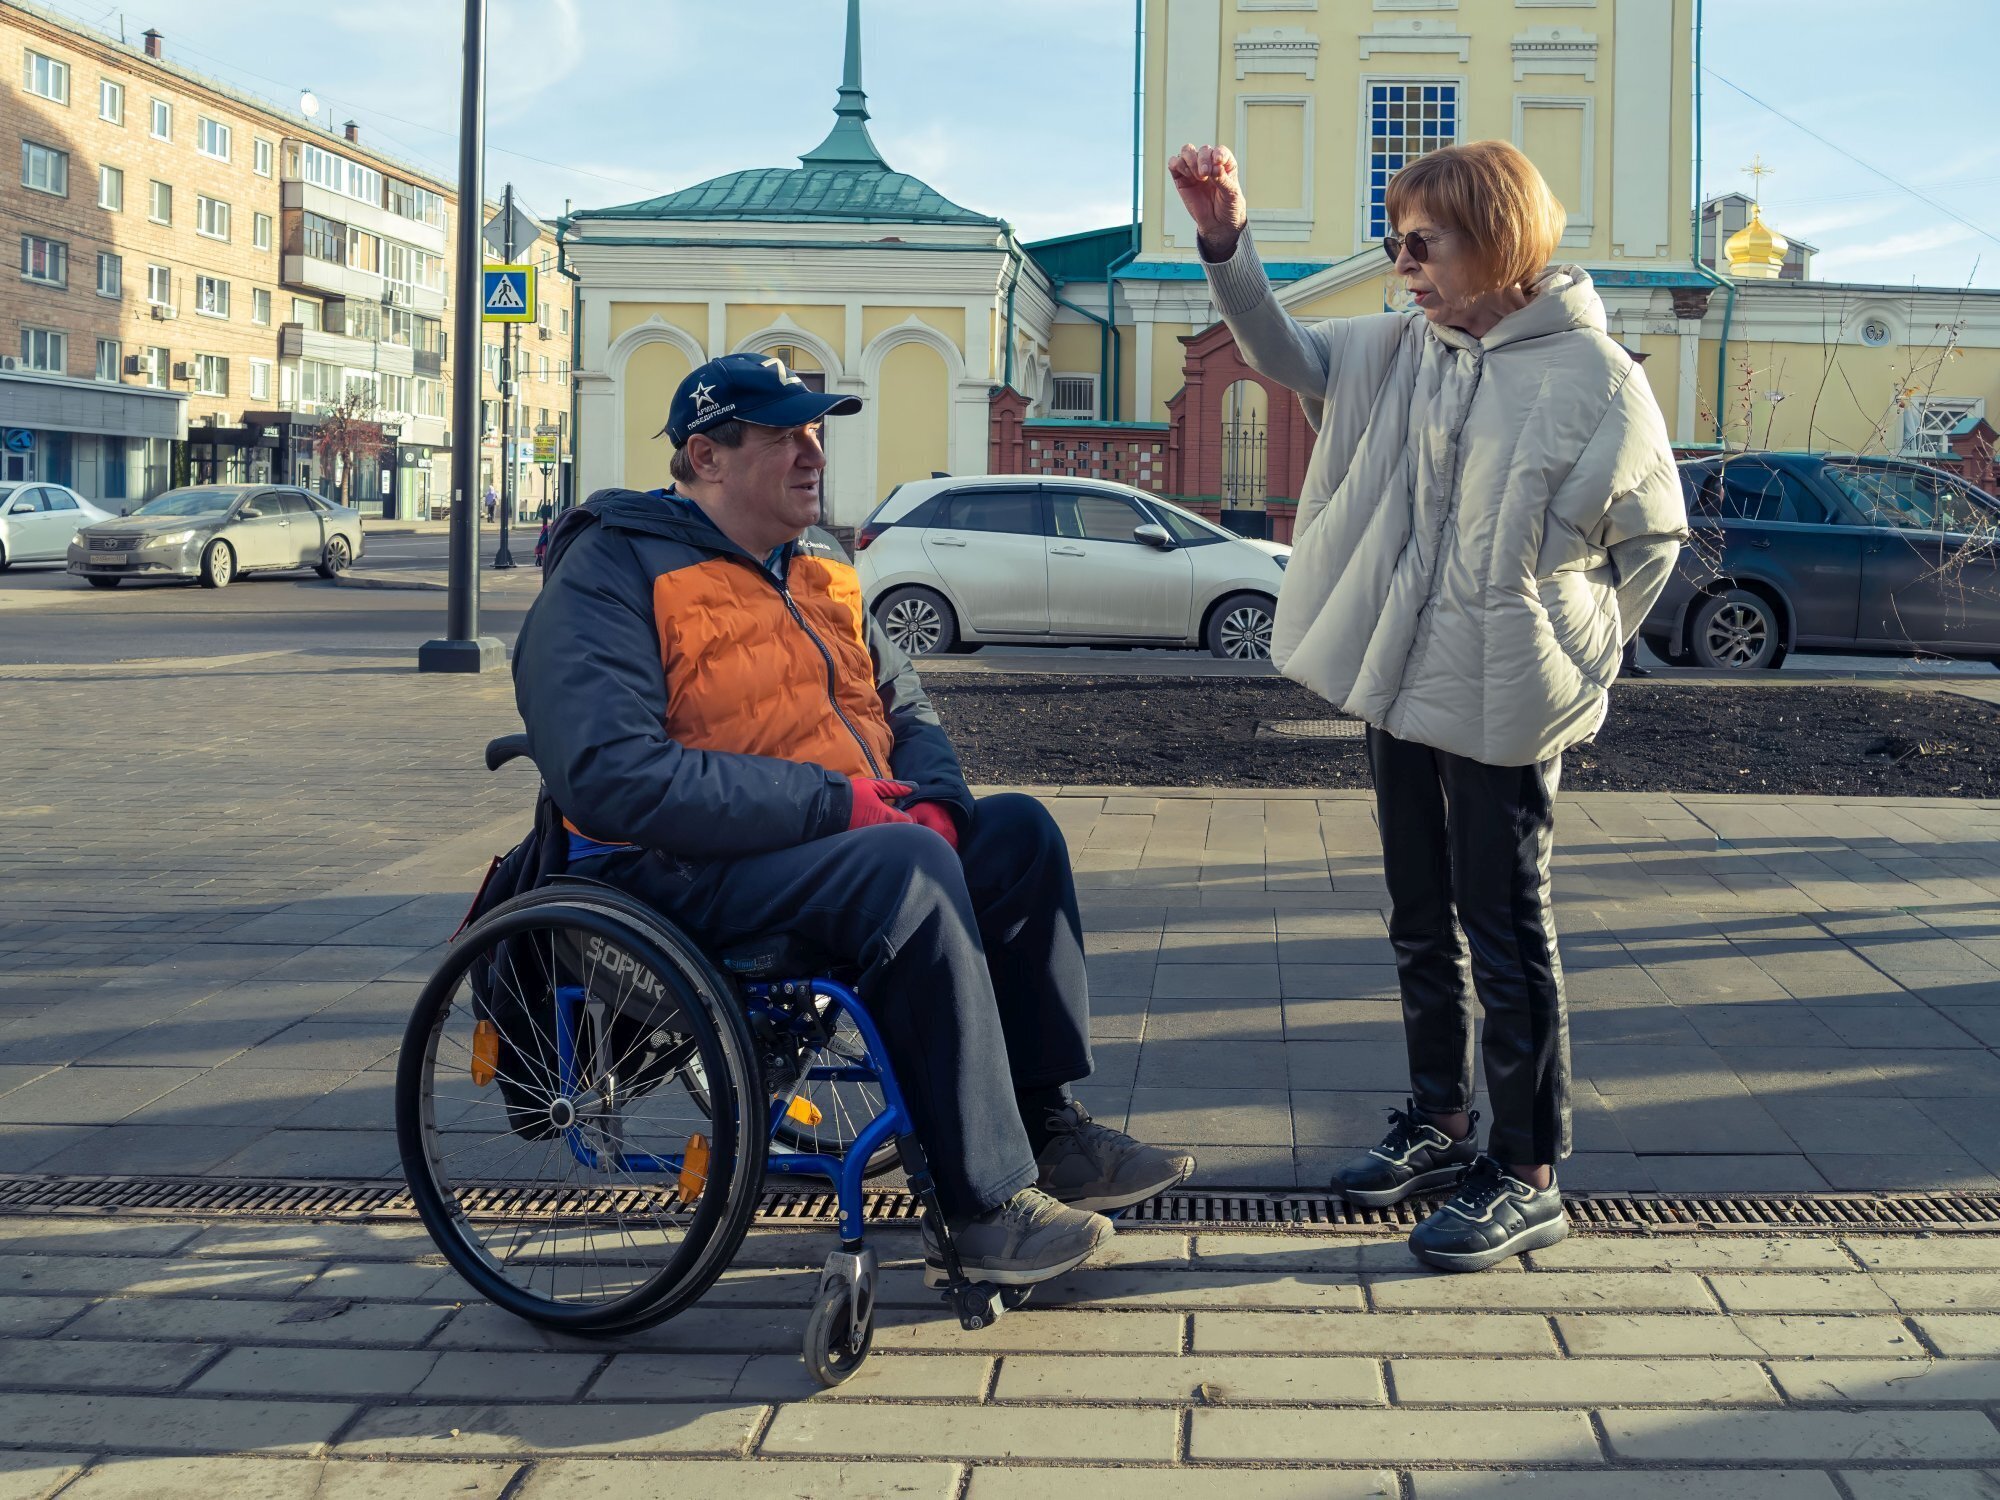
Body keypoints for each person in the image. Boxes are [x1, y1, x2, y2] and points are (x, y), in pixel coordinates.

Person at [512, 352, 1194, 1288]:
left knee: (1017, 834)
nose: (813, 451)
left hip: (836, 842)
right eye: (785, 434)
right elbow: (609, 776)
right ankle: (981, 1207)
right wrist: (843, 805)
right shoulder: (614, 568)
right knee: (902, 870)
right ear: (707, 457)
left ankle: (1045, 1127)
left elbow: (906, 709)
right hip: (677, 871)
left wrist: (940, 803)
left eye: (817, 430)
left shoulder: (822, 564)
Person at [1171, 140, 1686, 1271]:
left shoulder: (1596, 374)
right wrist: (1224, 241)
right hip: (1398, 673)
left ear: (1495, 237)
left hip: (1508, 692)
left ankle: (1528, 1169)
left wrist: (1568, 641)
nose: (1400, 263)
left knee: (1502, 927)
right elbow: (1279, 349)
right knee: (1416, 911)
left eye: (1420, 241)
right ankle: (1440, 1126)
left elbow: (1648, 541)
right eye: (1390, 241)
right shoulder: (1401, 348)